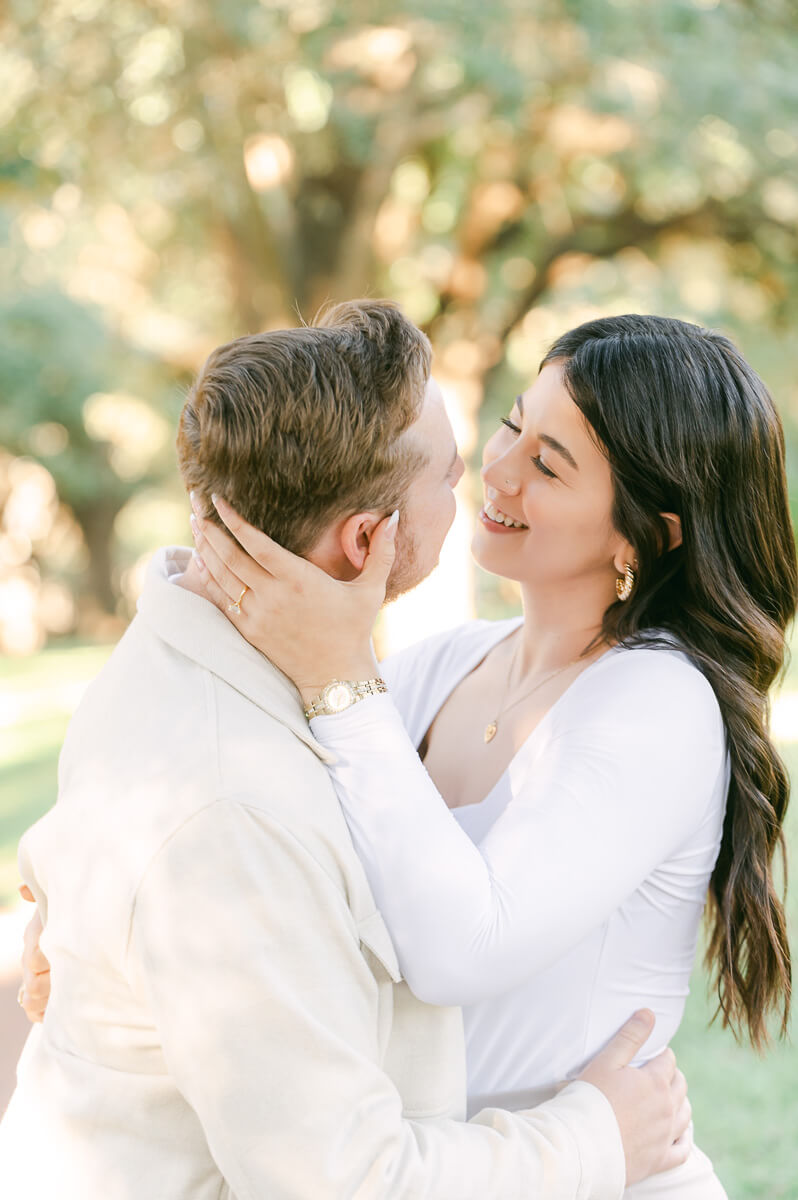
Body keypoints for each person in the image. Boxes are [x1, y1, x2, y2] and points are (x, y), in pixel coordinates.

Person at [3, 300, 690, 1199]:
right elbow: (346, 1182)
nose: (487, 473)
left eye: (542, 459)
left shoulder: (192, 654)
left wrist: (87, 910)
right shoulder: (244, 800)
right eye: (460, 466)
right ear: (367, 541)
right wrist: (595, 1138)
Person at [185, 313, 796, 1198]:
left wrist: (337, 674)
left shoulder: (658, 701)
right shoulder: (444, 665)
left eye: (549, 464)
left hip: (593, 1175)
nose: (496, 470)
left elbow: (462, 950)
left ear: (646, 534)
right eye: (513, 423)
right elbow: (257, 818)